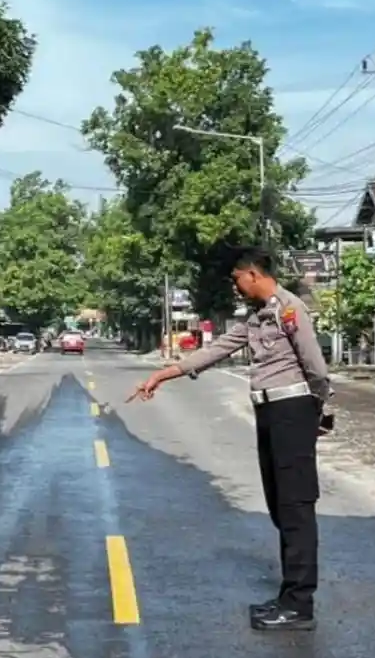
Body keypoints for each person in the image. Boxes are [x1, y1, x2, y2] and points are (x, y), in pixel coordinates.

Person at [129, 247, 330, 632]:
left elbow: (316, 367)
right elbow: (215, 350)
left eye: (237, 279)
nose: (236, 286)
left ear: (253, 274)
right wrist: (162, 375)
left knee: (295, 505)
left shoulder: (290, 309)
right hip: (268, 411)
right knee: (278, 504)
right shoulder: (257, 316)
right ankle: (290, 595)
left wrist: (319, 409)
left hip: (292, 411)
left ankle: (300, 604)